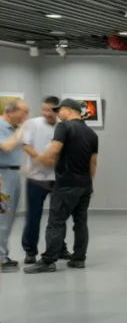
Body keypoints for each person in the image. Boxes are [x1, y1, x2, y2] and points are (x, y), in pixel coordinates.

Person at [24, 98, 99, 274]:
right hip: (84, 185)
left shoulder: (64, 127)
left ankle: (48, 261)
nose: (57, 113)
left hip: (66, 184)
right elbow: (93, 163)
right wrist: (88, 183)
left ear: (69, 110)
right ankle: (79, 259)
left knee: (55, 222)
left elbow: (55, 148)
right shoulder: (92, 134)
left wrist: (38, 160)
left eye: (60, 110)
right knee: (80, 223)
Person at [20, 96, 71, 264]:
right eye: (44, 109)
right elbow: (26, 145)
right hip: (36, 179)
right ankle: (30, 251)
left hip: (57, 179)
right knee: (33, 217)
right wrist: (42, 159)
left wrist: (54, 161)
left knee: (59, 217)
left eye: (50, 110)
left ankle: (60, 248)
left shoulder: (64, 126)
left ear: (57, 110)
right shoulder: (33, 124)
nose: (47, 113)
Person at [0, 98, 30, 272]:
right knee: (2, 217)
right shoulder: (1, 125)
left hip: (12, 174)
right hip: (2, 176)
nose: (26, 116)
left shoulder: (13, 128)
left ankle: (3, 255)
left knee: (9, 217)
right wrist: (21, 129)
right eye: (23, 112)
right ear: (11, 111)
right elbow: (7, 147)